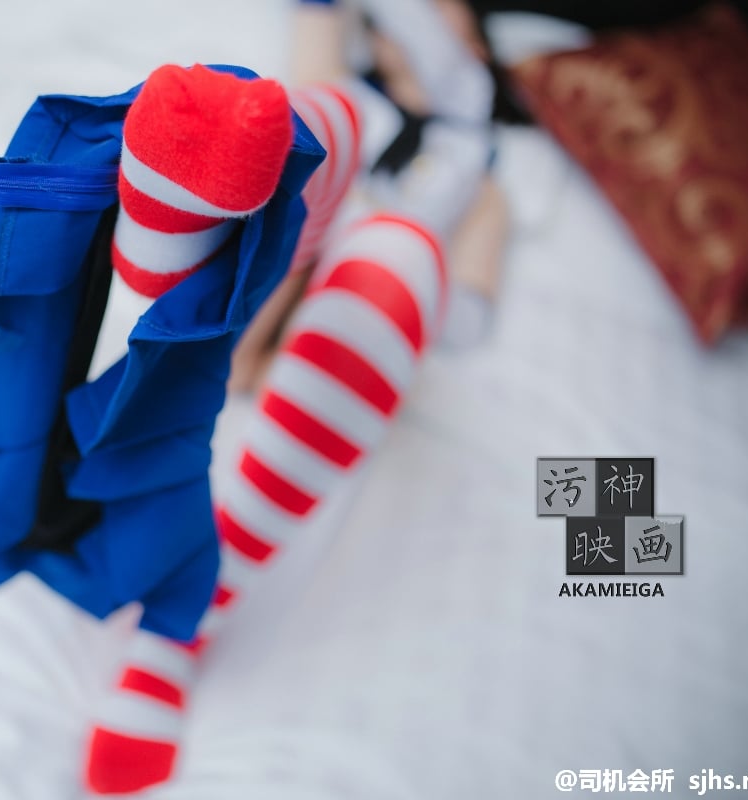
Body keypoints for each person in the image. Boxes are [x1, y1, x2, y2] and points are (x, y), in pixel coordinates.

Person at [83, 0, 512, 794]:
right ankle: (179, 238)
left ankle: (182, 619)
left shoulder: (478, 177)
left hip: (362, 338)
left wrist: (417, 216)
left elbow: (467, 315)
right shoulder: (353, 81)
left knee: (396, 246)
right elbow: (318, 30)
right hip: (261, 306)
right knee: (316, 122)